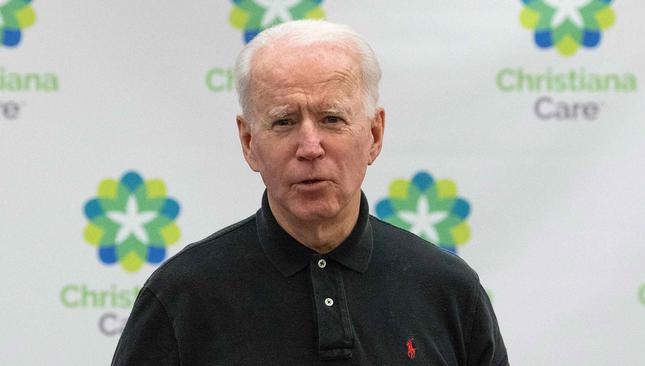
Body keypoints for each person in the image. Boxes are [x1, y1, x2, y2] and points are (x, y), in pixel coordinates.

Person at [112, 20, 508, 365]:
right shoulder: (182, 297)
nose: (310, 146)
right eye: (284, 122)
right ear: (249, 141)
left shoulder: (448, 290)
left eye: (332, 119)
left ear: (374, 134)